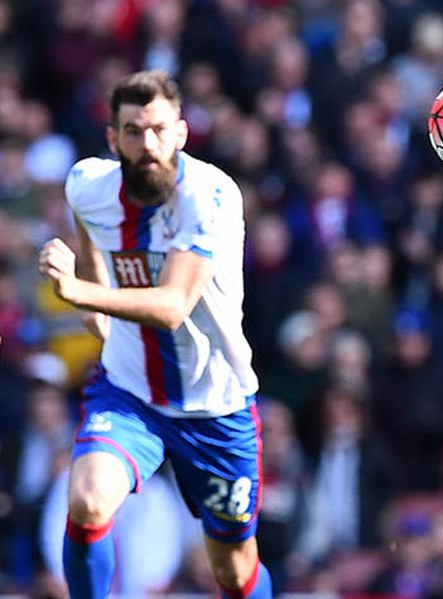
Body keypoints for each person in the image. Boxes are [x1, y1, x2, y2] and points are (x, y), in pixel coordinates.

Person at [36, 70, 272, 599]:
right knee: (88, 501)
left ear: (181, 133)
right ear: (113, 139)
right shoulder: (87, 185)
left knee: (233, 570)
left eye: (159, 130)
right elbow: (88, 230)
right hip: (130, 391)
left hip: (215, 405)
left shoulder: (210, 195)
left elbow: (171, 307)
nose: (148, 144)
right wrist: (94, 287)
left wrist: (80, 291)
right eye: (134, 131)